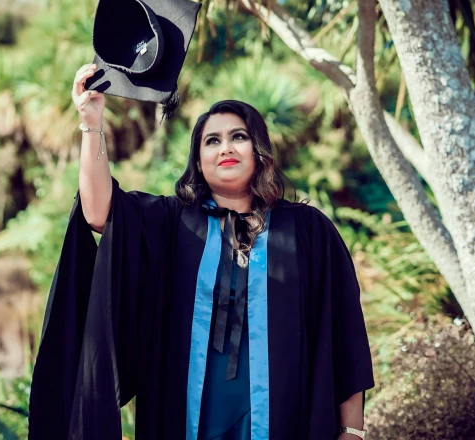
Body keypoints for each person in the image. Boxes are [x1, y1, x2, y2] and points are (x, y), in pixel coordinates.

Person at [28, 64, 375, 440]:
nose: (225, 147)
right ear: (198, 159)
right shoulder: (173, 224)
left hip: (286, 422)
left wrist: (352, 430)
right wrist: (91, 121)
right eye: (212, 140)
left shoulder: (309, 231)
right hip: (185, 421)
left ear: (259, 150)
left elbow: (344, 332)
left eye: (238, 136)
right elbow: (98, 213)